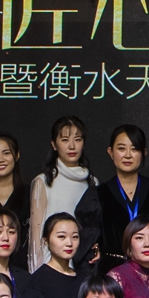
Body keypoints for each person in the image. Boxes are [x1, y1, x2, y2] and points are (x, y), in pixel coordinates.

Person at [27, 115, 103, 271]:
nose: (72, 146)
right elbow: (36, 235)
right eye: (65, 140)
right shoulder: (43, 181)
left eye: (77, 139)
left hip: (83, 265)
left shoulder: (93, 182)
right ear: (54, 144)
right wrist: (37, 274)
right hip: (51, 266)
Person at [94, 124, 149, 270]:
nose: (128, 155)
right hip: (112, 270)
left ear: (144, 153)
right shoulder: (99, 193)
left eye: (134, 149)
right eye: (121, 149)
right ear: (110, 152)